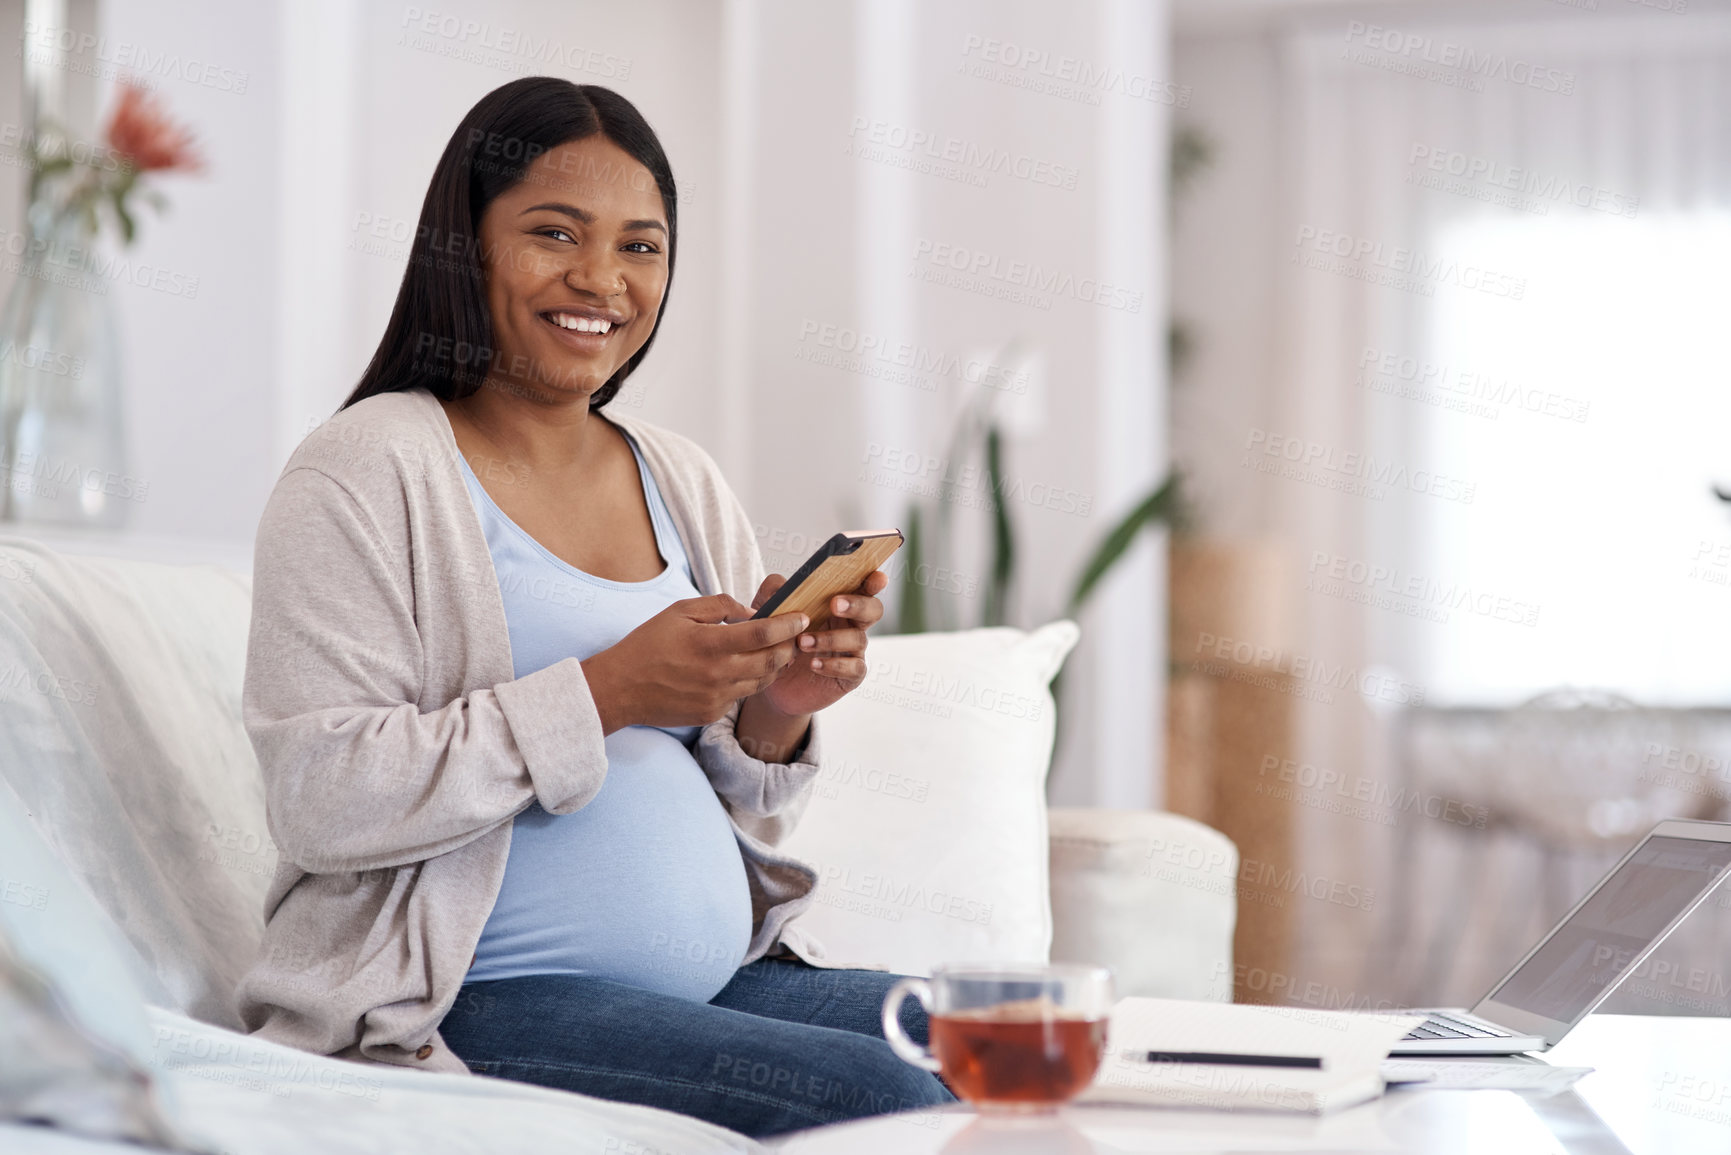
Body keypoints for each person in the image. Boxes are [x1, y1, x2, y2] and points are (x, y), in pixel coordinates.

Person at [236, 76, 952, 1138]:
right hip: (462, 1004)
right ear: (464, 245)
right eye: (554, 233)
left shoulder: (681, 477)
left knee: (981, 1038)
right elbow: (322, 796)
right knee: (886, 1099)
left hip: (712, 982)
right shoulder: (366, 468)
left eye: (640, 246)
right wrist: (608, 692)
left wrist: (779, 705)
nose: (601, 279)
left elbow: (744, 806)